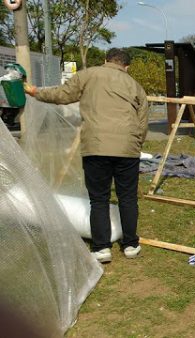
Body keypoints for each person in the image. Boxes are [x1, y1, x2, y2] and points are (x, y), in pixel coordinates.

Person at [24, 48, 149, 263]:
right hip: (128, 149)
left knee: (99, 198)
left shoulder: (88, 75)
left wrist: (35, 91)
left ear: (105, 60)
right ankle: (130, 245)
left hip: (96, 147)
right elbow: (143, 121)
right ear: (126, 67)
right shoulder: (135, 86)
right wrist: (135, 144)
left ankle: (102, 248)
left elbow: (62, 95)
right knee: (127, 197)